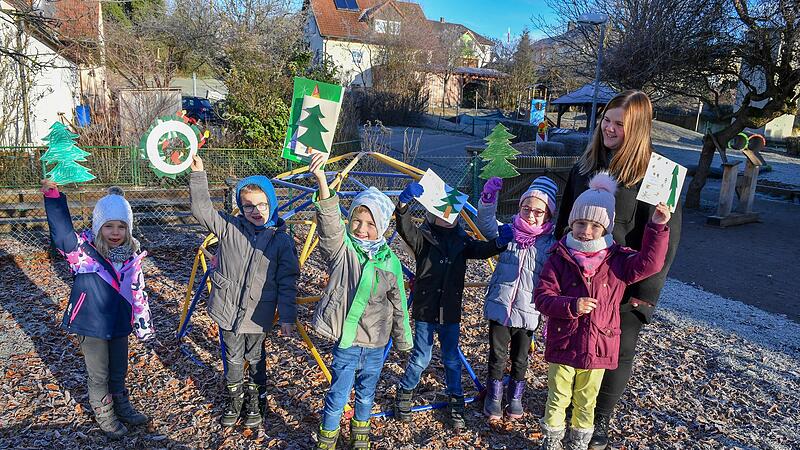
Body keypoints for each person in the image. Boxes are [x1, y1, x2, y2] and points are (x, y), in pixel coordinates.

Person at [555, 90, 682, 449]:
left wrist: (646, 295)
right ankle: (571, 409)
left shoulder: (656, 173)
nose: (609, 128)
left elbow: (666, 238)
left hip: (624, 284)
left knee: (614, 354)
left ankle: (599, 422)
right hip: (579, 277)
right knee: (575, 347)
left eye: (619, 124)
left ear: (638, 129)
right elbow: (565, 220)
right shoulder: (586, 164)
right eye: (606, 120)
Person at [536, 173, 670, 449]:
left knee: (587, 398)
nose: (586, 230)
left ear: (606, 227)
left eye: (595, 225)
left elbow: (650, 263)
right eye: (581, 222)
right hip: (564, 341)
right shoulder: (559, 257)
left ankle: (579, 441)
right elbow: (542, 298)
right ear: (572, 222)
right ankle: (551, 439)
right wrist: (571, 305)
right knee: (558, 394)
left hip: (599, 344)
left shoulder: (617, 260)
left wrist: (656, 227)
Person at [308, 153, 413, 449]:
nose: (362, 228)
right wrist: (322, 182)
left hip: (377, 345)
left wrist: (403, 339)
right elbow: (329, 227)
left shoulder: (389, 261)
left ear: (381, 226)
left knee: (367, 394)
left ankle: (360, 436)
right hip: (348, 342)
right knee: (339, 394)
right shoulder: (344, 252)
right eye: (357, 220)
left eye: (370, 223)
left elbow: (399, 305)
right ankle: (327, 439)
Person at [189, 155, 299, 429]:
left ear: (272, 204)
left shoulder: (281, 240)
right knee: (233, 357)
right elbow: (202, 210)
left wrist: (287, 317)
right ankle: (234, 398)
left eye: (262, 204)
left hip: (258, 314)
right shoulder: (230, 228)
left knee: (256, 357)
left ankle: (256, 399)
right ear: (240, 206)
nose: (256, 210)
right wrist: (198, 175)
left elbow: (288, 281)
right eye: (248, 205)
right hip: (227, 310)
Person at [392, 180, 512, 429]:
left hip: (449, 311)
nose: (445, 218)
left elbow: (482, 250)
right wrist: (403, 205)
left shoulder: (462, 241)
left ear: (458, 217)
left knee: (451, 358)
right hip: (426, 309)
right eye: (439, 212)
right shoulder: (423, 239)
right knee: (420, 358)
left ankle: (455, 402)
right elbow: (405, 229)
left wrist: (500, 243)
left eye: (451, 214)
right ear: (431, 214)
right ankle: (404, 394)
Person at [42, 181, 154, 439]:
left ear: (128, 228)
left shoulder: (131, 256)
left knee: (118, 368)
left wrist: (143, 323)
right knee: (99, 373)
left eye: (121, 226)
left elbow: (138, 291)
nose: (115, 232)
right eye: (109, 226)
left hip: (118, 322)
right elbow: (61, 234)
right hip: (91, 324)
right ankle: (104, 414)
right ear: (98, 227)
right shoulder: (82, 252)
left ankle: (121, 405)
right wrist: (53, 196)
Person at [476, 176, 558, 420]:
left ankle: (515, 397)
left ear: (548, 215)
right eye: (526, 209)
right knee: (497, 355)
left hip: (529, 310)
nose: (531, 215)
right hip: (501, 306)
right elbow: (486, 225)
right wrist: (488, 199)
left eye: (538, 212)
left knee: (521, 358)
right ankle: (493, 397)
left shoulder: (550, 244)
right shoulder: (509, 232)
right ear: (519, 208)